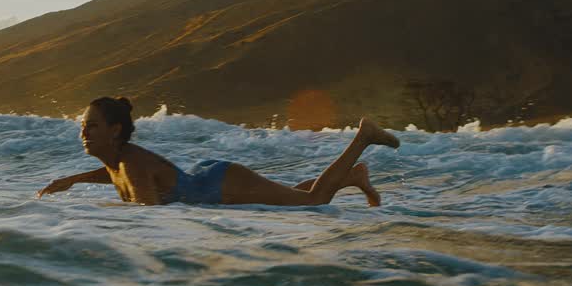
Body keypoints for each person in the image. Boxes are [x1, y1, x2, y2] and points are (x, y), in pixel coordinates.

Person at [37, 96, 399, 206]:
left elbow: (148, 218)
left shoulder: (130, 163)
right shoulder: (121, 162)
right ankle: (353, 177)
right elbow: (114, 176)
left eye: (93, 126)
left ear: (115, 131)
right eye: (83, 125)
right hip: (211, 182)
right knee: (293, 197)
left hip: (218, 185)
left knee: (314, 203)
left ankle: (362, 138)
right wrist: (71, 180)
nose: (84, 132)